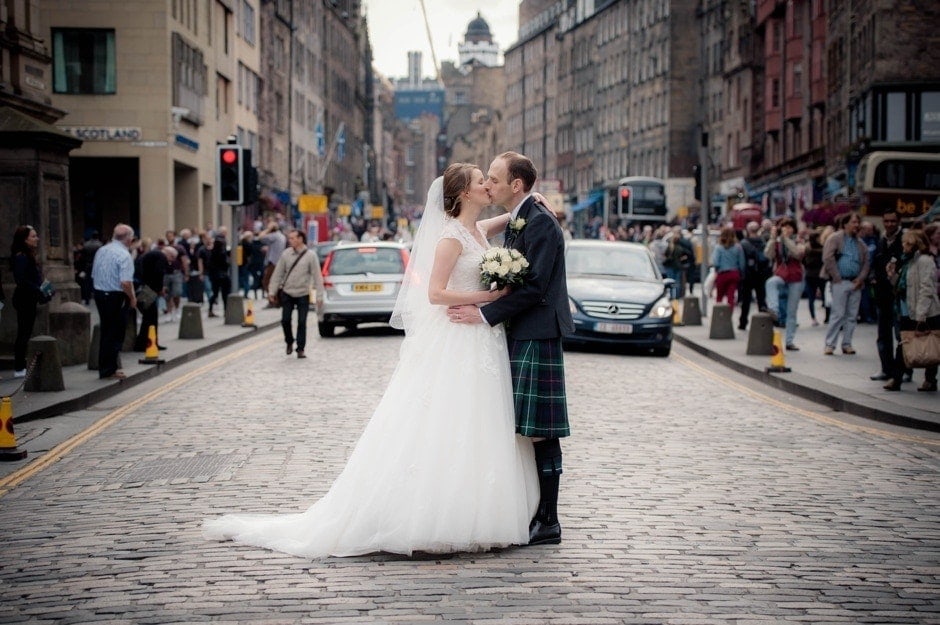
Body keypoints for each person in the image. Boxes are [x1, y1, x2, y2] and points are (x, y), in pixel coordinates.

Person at [204, 164, 538, 557]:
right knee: (448, 419)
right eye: (481, 180)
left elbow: (500, 221)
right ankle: (437, 517)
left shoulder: (477, 230)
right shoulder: (449, 238)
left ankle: (482, 511)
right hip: (457, 335)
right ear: (464, 193)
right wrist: (486, 298)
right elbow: (434, 293)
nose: (487, 185)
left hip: (481, 340)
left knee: (478, 420)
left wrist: (529, 206)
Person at [447, 151, 574, 546]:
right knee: (529, 428)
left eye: (496, 179)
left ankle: (549, 520)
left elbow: (534, 288)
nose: (490, 185)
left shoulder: (539, 224)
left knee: (541, 432)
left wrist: (484, 314)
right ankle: (539, 514)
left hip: (536, 333)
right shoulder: (524, 216)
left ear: (515, 185)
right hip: (523, 332)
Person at [883, 228, 939, 392]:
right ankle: (897, 377)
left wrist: (921, 315)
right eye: (903, 243)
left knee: (930, 344)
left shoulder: (925, 261)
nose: (904, 246)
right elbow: (901, 287)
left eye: (907, 243)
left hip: (925, 311)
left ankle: (930, 379)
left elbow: (926, 289)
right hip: (907, 310)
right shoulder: (907, 262)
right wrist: (892, 275)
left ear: (916, 244)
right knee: (903, 344)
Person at [91, 224, 137, 380]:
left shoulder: (101, 250)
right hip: (115, 296)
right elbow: (125, 282)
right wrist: (132, 298)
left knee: (106, 331)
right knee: (115, 333)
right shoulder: (124, 255)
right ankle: (109, 369)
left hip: (99, 294)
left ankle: (106, 368)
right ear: (129, 239)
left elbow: (94, 274)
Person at [268, 229, 323, 358]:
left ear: (300, 239)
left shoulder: (311, 256)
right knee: (285, 320)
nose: (290, 240)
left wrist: (319, 296)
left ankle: (300, 348)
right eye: (290, 238)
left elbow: (317, 277)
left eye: (292, 238)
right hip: (287, 292)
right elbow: (278, 274)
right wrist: (272, 291)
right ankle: (289, 341)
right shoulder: (286, 254)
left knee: (302, 322)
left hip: (303, 293)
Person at [821, 211, 869, 356]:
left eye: (857, 222)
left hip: (856, 282)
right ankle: (830, 344)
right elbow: (828, 257)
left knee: (852, 315)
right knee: (838, 313)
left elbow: (866, 262)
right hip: (840, 281)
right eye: (853, 222)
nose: (856, 225)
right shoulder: (835, 238)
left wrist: (861, 278)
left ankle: (847, 343)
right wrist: (837, 277)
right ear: (845, 224)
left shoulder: (860, 243)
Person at [10, 226, 49, 378]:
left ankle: (21, 365)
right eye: (33, 236)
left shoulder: (28, 255)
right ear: (25, 239)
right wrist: (38, 289)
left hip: (29, 298)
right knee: (23, 333)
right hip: (24, 299)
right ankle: (19, 367)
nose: (37, 239)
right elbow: (22, 280)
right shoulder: (21, 257)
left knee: (26, 331)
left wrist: (45, 288)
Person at [870, 209, 904, 380]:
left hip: (898, 294)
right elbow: (877, 262)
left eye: (893, 221)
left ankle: (903, 370)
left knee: (900, 335)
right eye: (886, 221)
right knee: (883, 334)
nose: (889, 224)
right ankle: (886, 369)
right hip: (882, 293)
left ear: (899, 221)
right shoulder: (882, 239)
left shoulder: (904, 239)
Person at [764, 217, 806, 351]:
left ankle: (789, 341)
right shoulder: (777, 242)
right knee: (771, 282)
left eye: (789, 227)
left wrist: (786, 239)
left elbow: (797, 253)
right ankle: (773, 310)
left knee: (791, 312)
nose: (786, 229)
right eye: (784, 227)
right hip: (781, 275)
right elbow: (768, 255)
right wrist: (772, 239)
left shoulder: (798, 241)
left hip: (795, 277)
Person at [133, 245, 172, 352]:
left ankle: (144, 342)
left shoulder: (151, 254)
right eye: (171, 259)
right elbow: (159, 273)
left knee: (147, 317)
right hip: (147, 290)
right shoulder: (161, 257)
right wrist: (159, 289)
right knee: (151, 317)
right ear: (168, 254)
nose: (170, 262)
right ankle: (149, 343)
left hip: (142, 288)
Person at [738, 221, 770, 331]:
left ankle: (743, 322)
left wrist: (741, 274)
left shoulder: (743, 243)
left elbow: (742, 261)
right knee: (761, 299)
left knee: (746, 300)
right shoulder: (763, 242)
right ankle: (764, 323)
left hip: (748, 275)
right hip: (761, 274)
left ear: (748, 230)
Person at [710, 225, 745, 311]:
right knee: (731, 296)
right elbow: (742, 263)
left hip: (722, 273)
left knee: (719, 296)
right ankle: (729, 315)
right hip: (734, 273)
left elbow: (715, 262)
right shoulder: (738, 247)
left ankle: (719, 315)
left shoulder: (719, 247)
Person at [259, 220, 287, 307]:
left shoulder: (274, 236)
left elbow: (261, 237)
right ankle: (277, 300)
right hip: (279, 261)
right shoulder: (281, 236)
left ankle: (273, 300)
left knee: (266, 281)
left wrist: (267, 230)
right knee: (276, 282)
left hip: (273, 262)